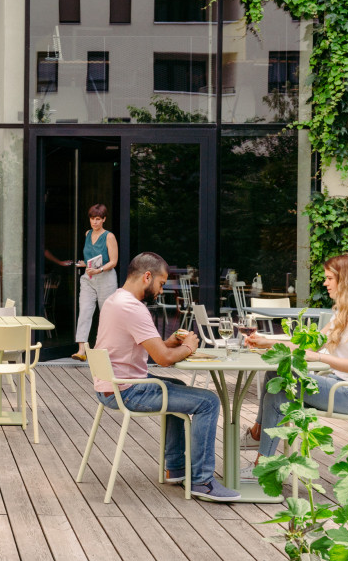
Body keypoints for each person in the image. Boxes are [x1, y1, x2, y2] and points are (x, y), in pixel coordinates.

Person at [94, 252, 240, 501]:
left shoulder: (115, 300)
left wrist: (169, 342)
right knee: (209, 401)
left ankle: (175, 467)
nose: (161, 291)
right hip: (129, 390)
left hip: (110, 386)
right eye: (161, 284)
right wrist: (189, 347)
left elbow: (150, 348)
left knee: (176, 385)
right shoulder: (133, 308)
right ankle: (202, 482)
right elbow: (162, 359)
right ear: (147, 276)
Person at [239, 253, 348, 478]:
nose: (325, 283)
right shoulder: (345, 311)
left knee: (281, 383)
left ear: (346, 280)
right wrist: (267, 341)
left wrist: (319, 359)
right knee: (276, 376)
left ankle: (262, 459)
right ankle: (261, 447)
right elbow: (309, 344)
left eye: (330, 278)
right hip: (340, 385)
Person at [73, 204, 118, 361]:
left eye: (98, 219)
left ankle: (106, 349)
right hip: (88, 278)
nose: (95, 222)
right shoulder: (87, 233)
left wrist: (98, 270)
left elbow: (113, 262)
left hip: (106, 278)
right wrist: (85, 264)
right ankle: (82, 349)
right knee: (84, 311)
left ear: (104, 219)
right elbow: (91, 258)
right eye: (92, 218)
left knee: (106, 315)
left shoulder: (109, 236)